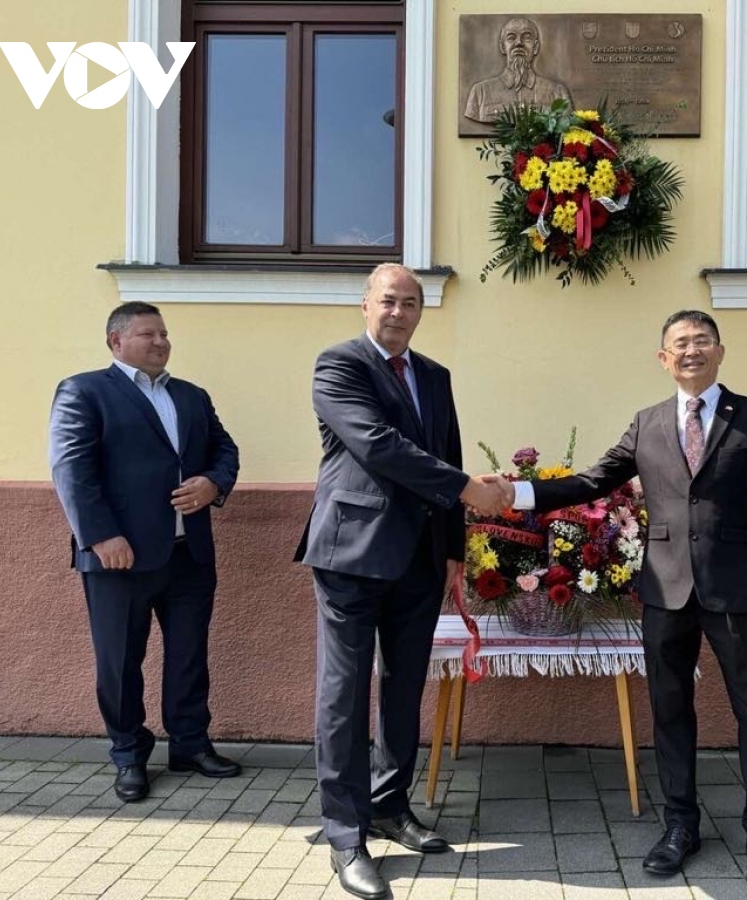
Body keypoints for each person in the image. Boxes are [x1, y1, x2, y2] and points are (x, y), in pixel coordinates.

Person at [495, 310, 747, 895]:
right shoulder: (648, 422)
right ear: (663, 358)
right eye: (679, 344)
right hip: (665, 589)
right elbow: (592, 483)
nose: (691, 351)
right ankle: (681, 825)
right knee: (669, 710)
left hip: (737, 591)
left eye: (701, 341)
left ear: (720, 351)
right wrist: (519, 492)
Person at [294, 264, 508, 900]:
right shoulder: (339, 366)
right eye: (388, 300)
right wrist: (466, 489)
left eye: (410, 303)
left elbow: (448, 453)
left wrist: (452, 550)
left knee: (406, 684)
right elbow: (377, 444)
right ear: (366, 304)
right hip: (351, 553)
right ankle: (345, 833)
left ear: (421, 311)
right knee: (345, 693)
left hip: (419, 558)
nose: (399, 312)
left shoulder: (435, 376)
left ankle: (389, 807)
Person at [49, 301, 241, 803]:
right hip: (120, 555)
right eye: (147, 334)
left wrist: (212, 484)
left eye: (164, 334)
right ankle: (129, 755)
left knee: (188, 657)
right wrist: (99, 536)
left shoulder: (191, 396)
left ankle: (190, 744)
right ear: (116, 341)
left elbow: (225, 451)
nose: (161, 342)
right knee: (119, 662)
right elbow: (72, 470)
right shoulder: (84, 391)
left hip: (188, 553)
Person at [464, 16, 573, 123]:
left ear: (535, 47)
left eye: (527, 38)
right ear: (502, 46)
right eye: (511, 37)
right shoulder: (480, 93)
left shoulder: (558, 93)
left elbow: (567, 123)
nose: (519, 43)